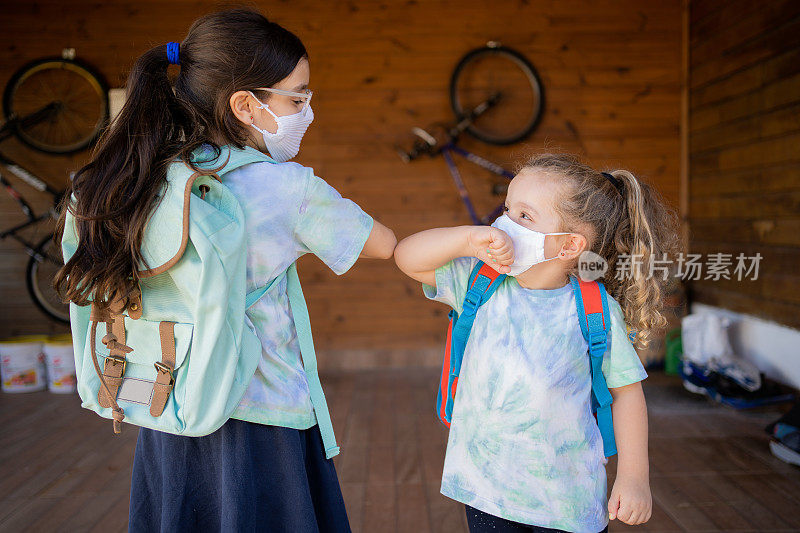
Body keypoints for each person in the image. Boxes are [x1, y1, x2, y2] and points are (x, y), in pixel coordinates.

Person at [54, 9, 396, 532]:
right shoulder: (285, 189)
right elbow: (383, 243)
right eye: (297, 99)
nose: (307, 111)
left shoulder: (142, 176)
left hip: (169, 400)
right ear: (245, 104)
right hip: (262, 415)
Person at [394, 153, 681, 533]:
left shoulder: (596, 310)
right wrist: (466, 239)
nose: (503, 223)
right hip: (486, 488)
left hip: (566, 498)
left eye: (524, 217)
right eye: (507, 208)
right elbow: (406, 257)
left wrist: (633, 477)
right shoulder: (478, 282)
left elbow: (627, 394)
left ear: (568, 246)